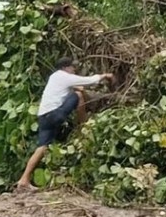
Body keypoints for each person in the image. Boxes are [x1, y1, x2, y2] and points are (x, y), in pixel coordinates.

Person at [16, 57, 113, 191]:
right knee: (78, 95)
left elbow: (71, 86)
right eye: (72, 67)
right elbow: (88, 80)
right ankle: (84, 126)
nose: (74, 69)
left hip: (44, 116)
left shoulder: (54, 78)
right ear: (66, 68)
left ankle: (24, 179)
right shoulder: (64, 76)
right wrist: (105, 75)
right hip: (55, 114)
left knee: (42, 147)